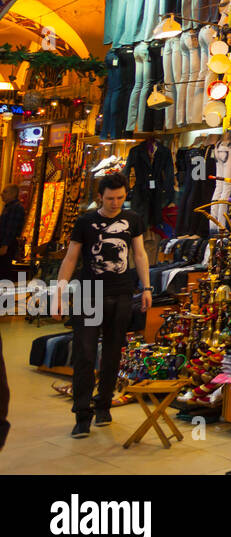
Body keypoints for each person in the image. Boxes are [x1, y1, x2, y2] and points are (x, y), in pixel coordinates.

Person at [54, 172, 151, 438]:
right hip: (89, 293)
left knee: (112, 354)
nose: (116, 202)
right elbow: (71, 258)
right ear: (100, 196)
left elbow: (139, 254)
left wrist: (146, 287)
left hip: (121, 294)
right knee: (85, 354)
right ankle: (82, 415)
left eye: (120, 197)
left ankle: (104, 407)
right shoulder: (86, 221)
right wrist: (59, 292)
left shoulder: (133, 219)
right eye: (110, 198)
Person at [0, 185, 25, 281]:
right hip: (4, 246)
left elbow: (11, 229)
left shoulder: (16, 208)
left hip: (7, 247)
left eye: (5, 192)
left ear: (13, 194)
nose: (2, 194)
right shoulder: (8, 207)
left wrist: (5, 246)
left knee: (4, 273)